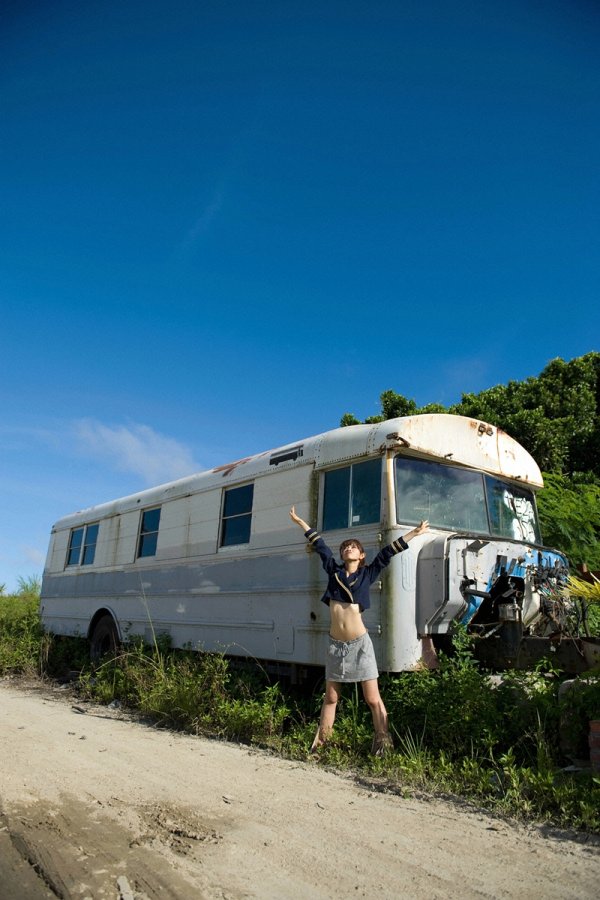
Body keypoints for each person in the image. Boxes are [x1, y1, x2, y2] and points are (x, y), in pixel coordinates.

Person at [289, 505, 429, 756]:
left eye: (353, 547)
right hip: (336, 645)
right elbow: (320, 545)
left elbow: (388, 552)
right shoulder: (334, 572)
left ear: (362, 555)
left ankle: (383, 745)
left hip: (360, 645)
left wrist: (415, 533)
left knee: (372, 699)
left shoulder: (367, 574)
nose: (348, 548)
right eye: (345, 547)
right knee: (331, 698)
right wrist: (301, 522)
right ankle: (321, 746)